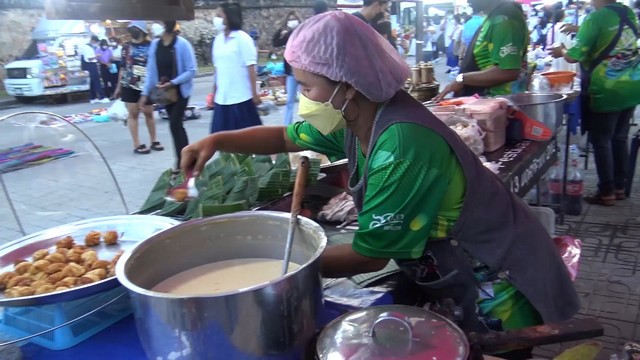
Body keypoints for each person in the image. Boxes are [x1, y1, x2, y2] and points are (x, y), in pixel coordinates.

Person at [181, 13, 580, 357]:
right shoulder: (357, 120)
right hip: (455, 274)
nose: (302, 98)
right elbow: (286, 137)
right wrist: (216, 141)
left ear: (347, 84)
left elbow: (370, 256)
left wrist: (276, 272)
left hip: (501, 287)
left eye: (307, 87)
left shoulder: (402, 145)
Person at [551, 0, 640, 205]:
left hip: (606, 87)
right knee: (620, 137)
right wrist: (578, 29)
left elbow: (574, 57)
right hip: (632, 83)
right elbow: (610, 30)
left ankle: (606, 191)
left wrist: (561, 50)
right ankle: (619, 187)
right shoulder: (627, 12)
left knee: (601, 140)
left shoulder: (595, 18)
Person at [435, 0, 529, 101]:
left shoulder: (505, 19)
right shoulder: (492, 17)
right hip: (490, 101)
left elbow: (508, 71)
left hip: (503, 104)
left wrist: (461, 79)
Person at [141, 20, 197, 170]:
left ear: (166, 25)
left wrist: (173, 82)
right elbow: (151, 71)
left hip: (180, 92)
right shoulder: (155, 45)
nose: (153, 25)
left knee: (175, 124)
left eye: (157, 21)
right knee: (176, 126)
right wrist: (145, 94)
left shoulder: (182, 44)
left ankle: (182, 161)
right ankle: (185, 158)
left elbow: (191, 70)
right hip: (164, 93)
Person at [211, 3, 262, 134]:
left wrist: (254, 93)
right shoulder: (217, 40)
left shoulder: (242, 38)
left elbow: (251, 68)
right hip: (222, 98)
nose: (216, 19)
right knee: (222, 141)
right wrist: (214, 92)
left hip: (241, 97)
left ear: (228, 17)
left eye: (219, 15)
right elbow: (217, 70)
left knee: (246, 139)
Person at [114, 21, 164, 155]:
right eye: (131, 29)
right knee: (133, 114)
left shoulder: (152, 46)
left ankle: (154, 140)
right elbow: (123, 68)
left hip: (147, 84)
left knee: (149, 112)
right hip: (129, 84)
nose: (133, 31)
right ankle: (137, 144)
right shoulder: (126, 47)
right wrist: (118, 87)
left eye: (135, 29)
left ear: (142, 31)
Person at [273, 11, 304, 126]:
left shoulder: (302, 32)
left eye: (294, 19)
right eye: (290, 20)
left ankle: (308, 125)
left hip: (302, 73)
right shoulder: (286, 35)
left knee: (306, 101)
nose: (292, 22)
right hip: (290, 74)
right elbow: (275, 42)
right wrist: (281, 30)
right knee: (290, 100)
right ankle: (287, 125)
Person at [80, 35, 109, 104]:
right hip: (90, 65)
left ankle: (93, 97)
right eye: (96, 42)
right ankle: (102, 97)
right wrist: (97, 56)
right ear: (93, 41)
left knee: (92, 82)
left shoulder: (89, 47)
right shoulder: (86, 47)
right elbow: (89, 58)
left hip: (91, 65)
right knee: (96, 81)